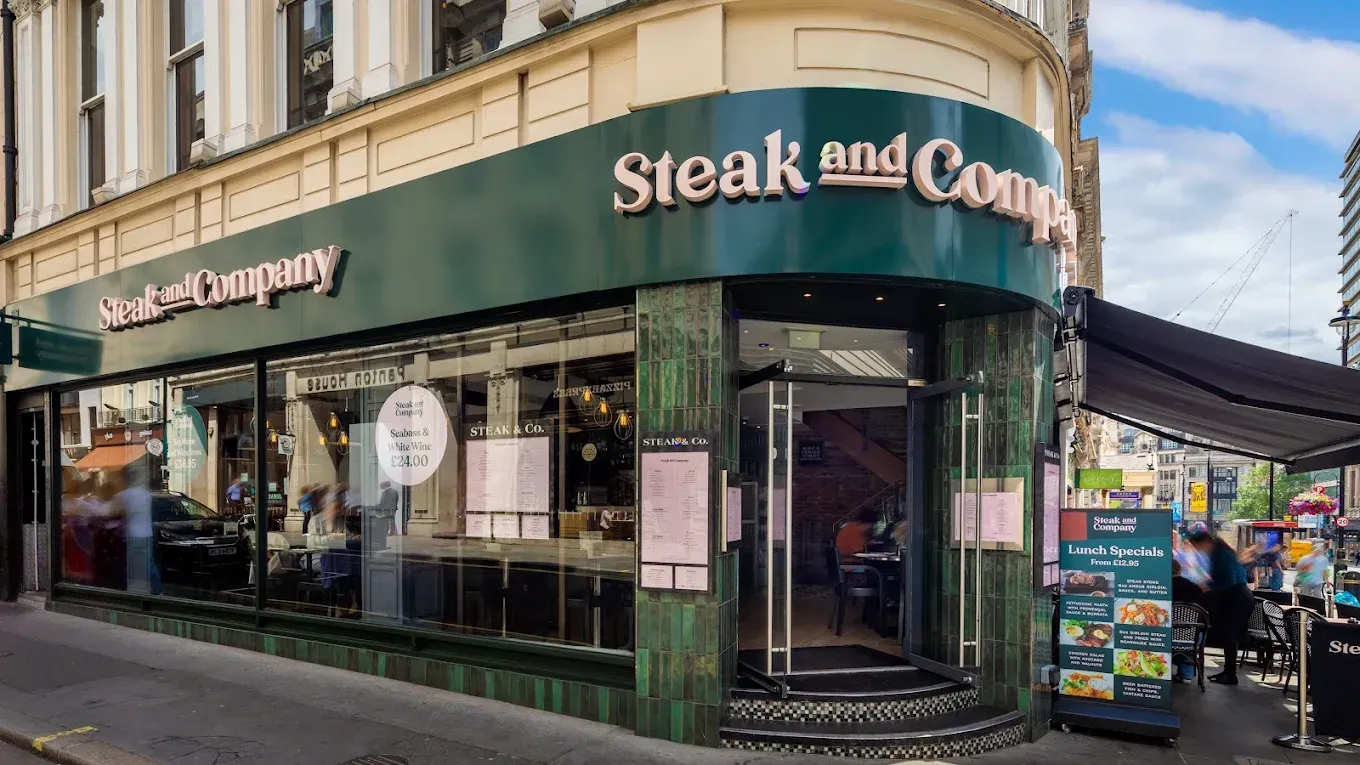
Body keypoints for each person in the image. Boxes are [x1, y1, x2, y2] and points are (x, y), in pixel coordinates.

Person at [1187, 530, 1253, 685]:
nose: (1197, 551)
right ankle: (1228, 672)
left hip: (1236, 597)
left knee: (1229, 635)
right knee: (1228, 636)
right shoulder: (1220, 552)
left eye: (1197, 547)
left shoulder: (1220, 554)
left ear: (1204, 542)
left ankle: (1230, 674)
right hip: (1238, 596)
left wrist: (1207, 587)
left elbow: (1228, 580)